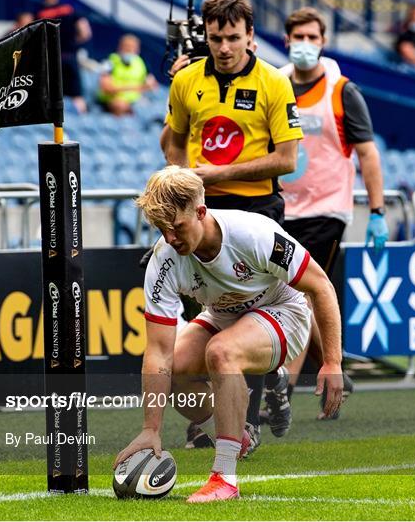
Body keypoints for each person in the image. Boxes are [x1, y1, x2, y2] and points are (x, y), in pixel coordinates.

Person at [113, 166, 344, 503]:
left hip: (285, 313)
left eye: (177, 227)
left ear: (201, 212)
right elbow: (158, 353)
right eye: (162, 230)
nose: (170, 239)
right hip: (225, 315)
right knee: (176, 369)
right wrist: (152, 428)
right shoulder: (163, 262)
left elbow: (320, 285)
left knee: (221, 352)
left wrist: (332, 361)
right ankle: (239, 435)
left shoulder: (254, 233)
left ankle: (225, 478)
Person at [161, 0, 303, 451]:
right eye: (217, 37)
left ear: (251, 36)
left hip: (257, 211)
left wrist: (217, 173)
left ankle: (245, 425)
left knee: (248, 312)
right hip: (202, 209)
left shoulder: (275, 83)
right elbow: (174, 142)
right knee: (200, 309)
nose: (224, 47)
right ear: (206, 34)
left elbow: (287, 160)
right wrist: (182, 186)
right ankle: (220, 407)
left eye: (233, 38)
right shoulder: (186, 82)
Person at [261, 6, 389, 429]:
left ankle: (278, 392)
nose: (305, 45)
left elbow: (368, 153)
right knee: (289, 297)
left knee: (297, 296)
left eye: (312, 37)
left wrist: (376, 211)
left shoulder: (342, 90)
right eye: (298, 37)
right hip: (281, 209)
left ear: (323, 41)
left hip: (326, 210)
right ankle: (333, 372)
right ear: (286, 40)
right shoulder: (273, 84)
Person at [36, 0, 92, 113]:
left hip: (49, 60)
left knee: (49, 97)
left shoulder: (38, 12)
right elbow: (85, 33)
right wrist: (72, 44)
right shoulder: (69, 9)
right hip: (69, 57)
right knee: (77, 98)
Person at [98, 34, 158, 116]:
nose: (130, 50)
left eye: (133, 47)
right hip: (114, 101)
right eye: (127, 47)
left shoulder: (141, 63)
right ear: (120, 47)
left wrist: (150, 84)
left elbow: (152, 84)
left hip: (136, 101)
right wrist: (138, 87)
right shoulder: (110, 62)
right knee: (120, 105)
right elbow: (106, 87)